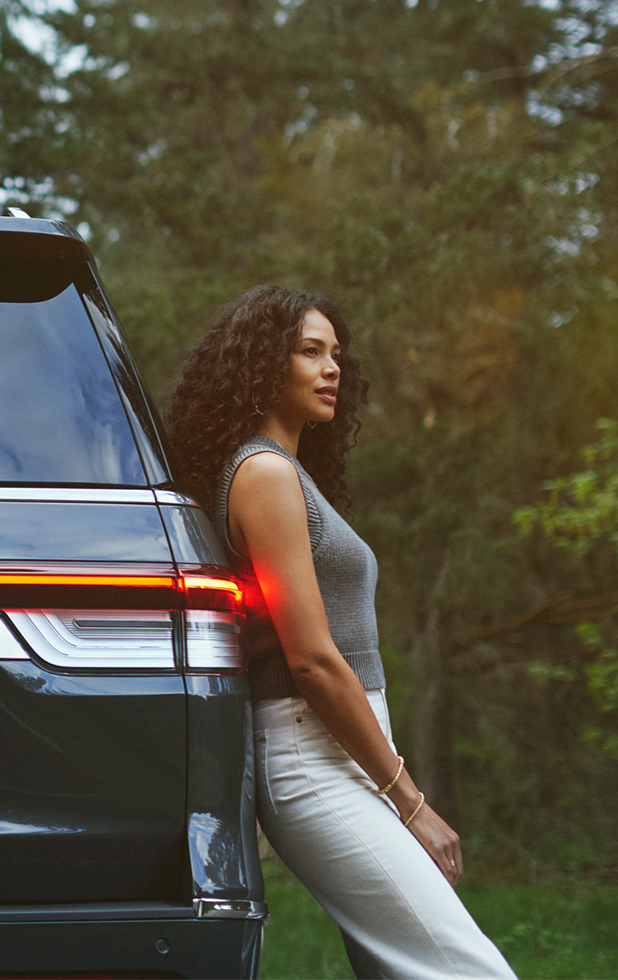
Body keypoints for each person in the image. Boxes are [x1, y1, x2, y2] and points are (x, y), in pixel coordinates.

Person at [168, 285, 516, 980]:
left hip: (346, 753)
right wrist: (411, 801)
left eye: (337, 354)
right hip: (312, 761)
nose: (333, 369)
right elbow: (314, 661)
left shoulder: (287, 473)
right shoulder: (263, 472)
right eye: (310, 351)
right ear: (267, 364)